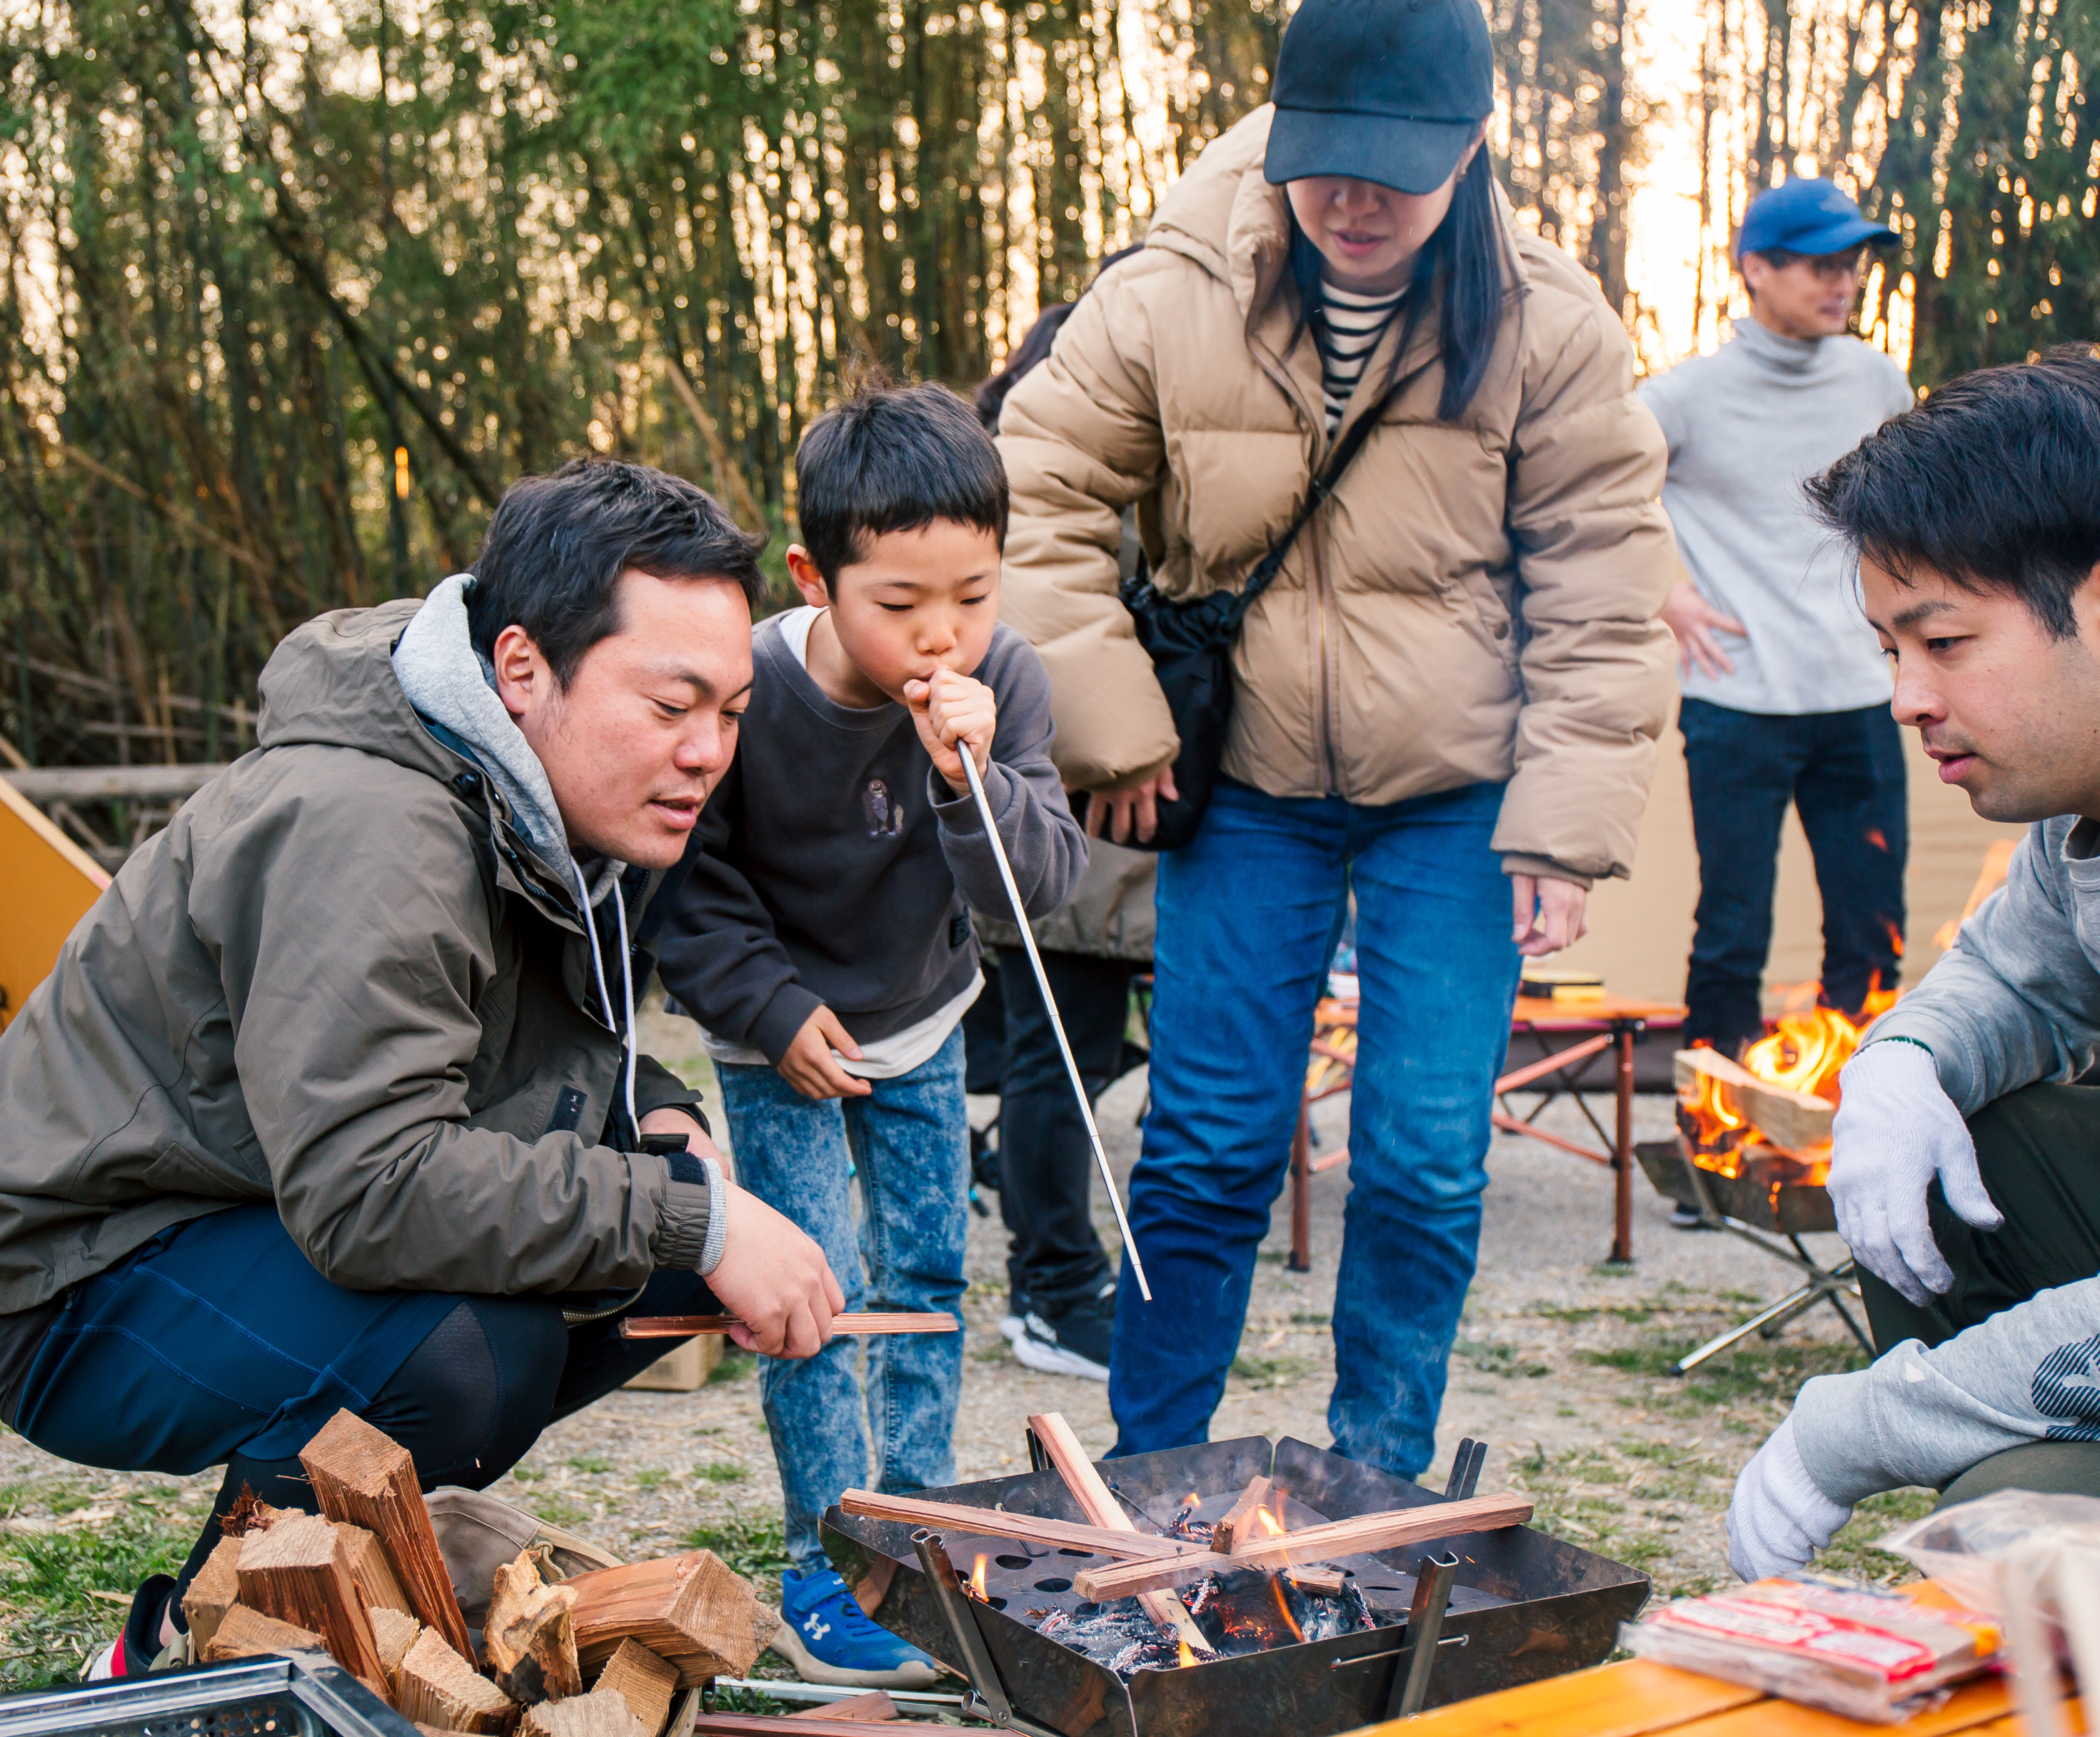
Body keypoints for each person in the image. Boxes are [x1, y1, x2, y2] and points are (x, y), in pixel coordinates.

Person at [0, 460, 845, 1677]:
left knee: (647, 1286)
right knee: (476, 1354)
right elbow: (370, 1186)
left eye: (730, 713)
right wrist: (697, 1215)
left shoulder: (544, 790)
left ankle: (345, 1577)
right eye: (672, 705)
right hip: (76, 1271)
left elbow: (540, 1045)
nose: (706, 754)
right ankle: (203, 1644)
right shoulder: (372, 828)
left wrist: (661, 1125)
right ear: (522, 667)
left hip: (246, 1203)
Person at [995, 0, 1675, 1479]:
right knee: (1205, 1150)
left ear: (1473, 148)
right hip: (1243, 788)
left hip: (1459, 796)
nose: (1356, 201)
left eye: (1399, 169)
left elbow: (1607, 585)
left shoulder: (1552, 321)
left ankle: (1378, 1469)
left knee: (1425, 1161)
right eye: (1327, 164)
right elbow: (1028, 493)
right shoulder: (1171, 288)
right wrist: (1113, 726)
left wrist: (1565, 824)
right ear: (1281, 134)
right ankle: (1154, 1471)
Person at [660, 379, 1087, 1686]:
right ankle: (827, 1554)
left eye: (971, 593)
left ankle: (916, 1525)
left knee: (927, 1276)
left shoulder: (1003, 680)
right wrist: (771, 1009)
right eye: (899, 605)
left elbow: (1040, 880)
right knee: (807, 1292)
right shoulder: (751, 695)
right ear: (813, 575)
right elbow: (689, 882)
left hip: (925, 1015)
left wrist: (971, 777)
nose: (939, 634)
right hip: (777, 1030)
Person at [1726, 348, 2100, 1582]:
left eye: (1944, 641)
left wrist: (1853, 1427)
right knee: (1942, 1143)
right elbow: (2007, 981)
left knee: (2016, 1511)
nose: (1906, 700)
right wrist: (1899, 1062)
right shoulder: (2087, 812)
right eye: (1887, 651)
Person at [1641, 178, 1915, 1063]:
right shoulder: (1683, 397)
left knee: (1871, 926)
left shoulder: (1876, 378)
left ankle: (1859, 1134)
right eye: (1818, 265)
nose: (1841, 282)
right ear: (1755, 269)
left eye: (1850, 265)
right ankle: (1715, 1140)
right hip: (1737, 704)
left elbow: (1923, 513)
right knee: (1732, 924)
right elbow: (1588, 490)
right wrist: (1664, 591)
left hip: (1860, 698)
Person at [967, 299, 1157, 1382]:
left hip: (1119, 836)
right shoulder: (1033, 483)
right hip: (1069, 817)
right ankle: (1051, 1287)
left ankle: (1070, 1269)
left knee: (1075, 1058)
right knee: (1060, 1061)